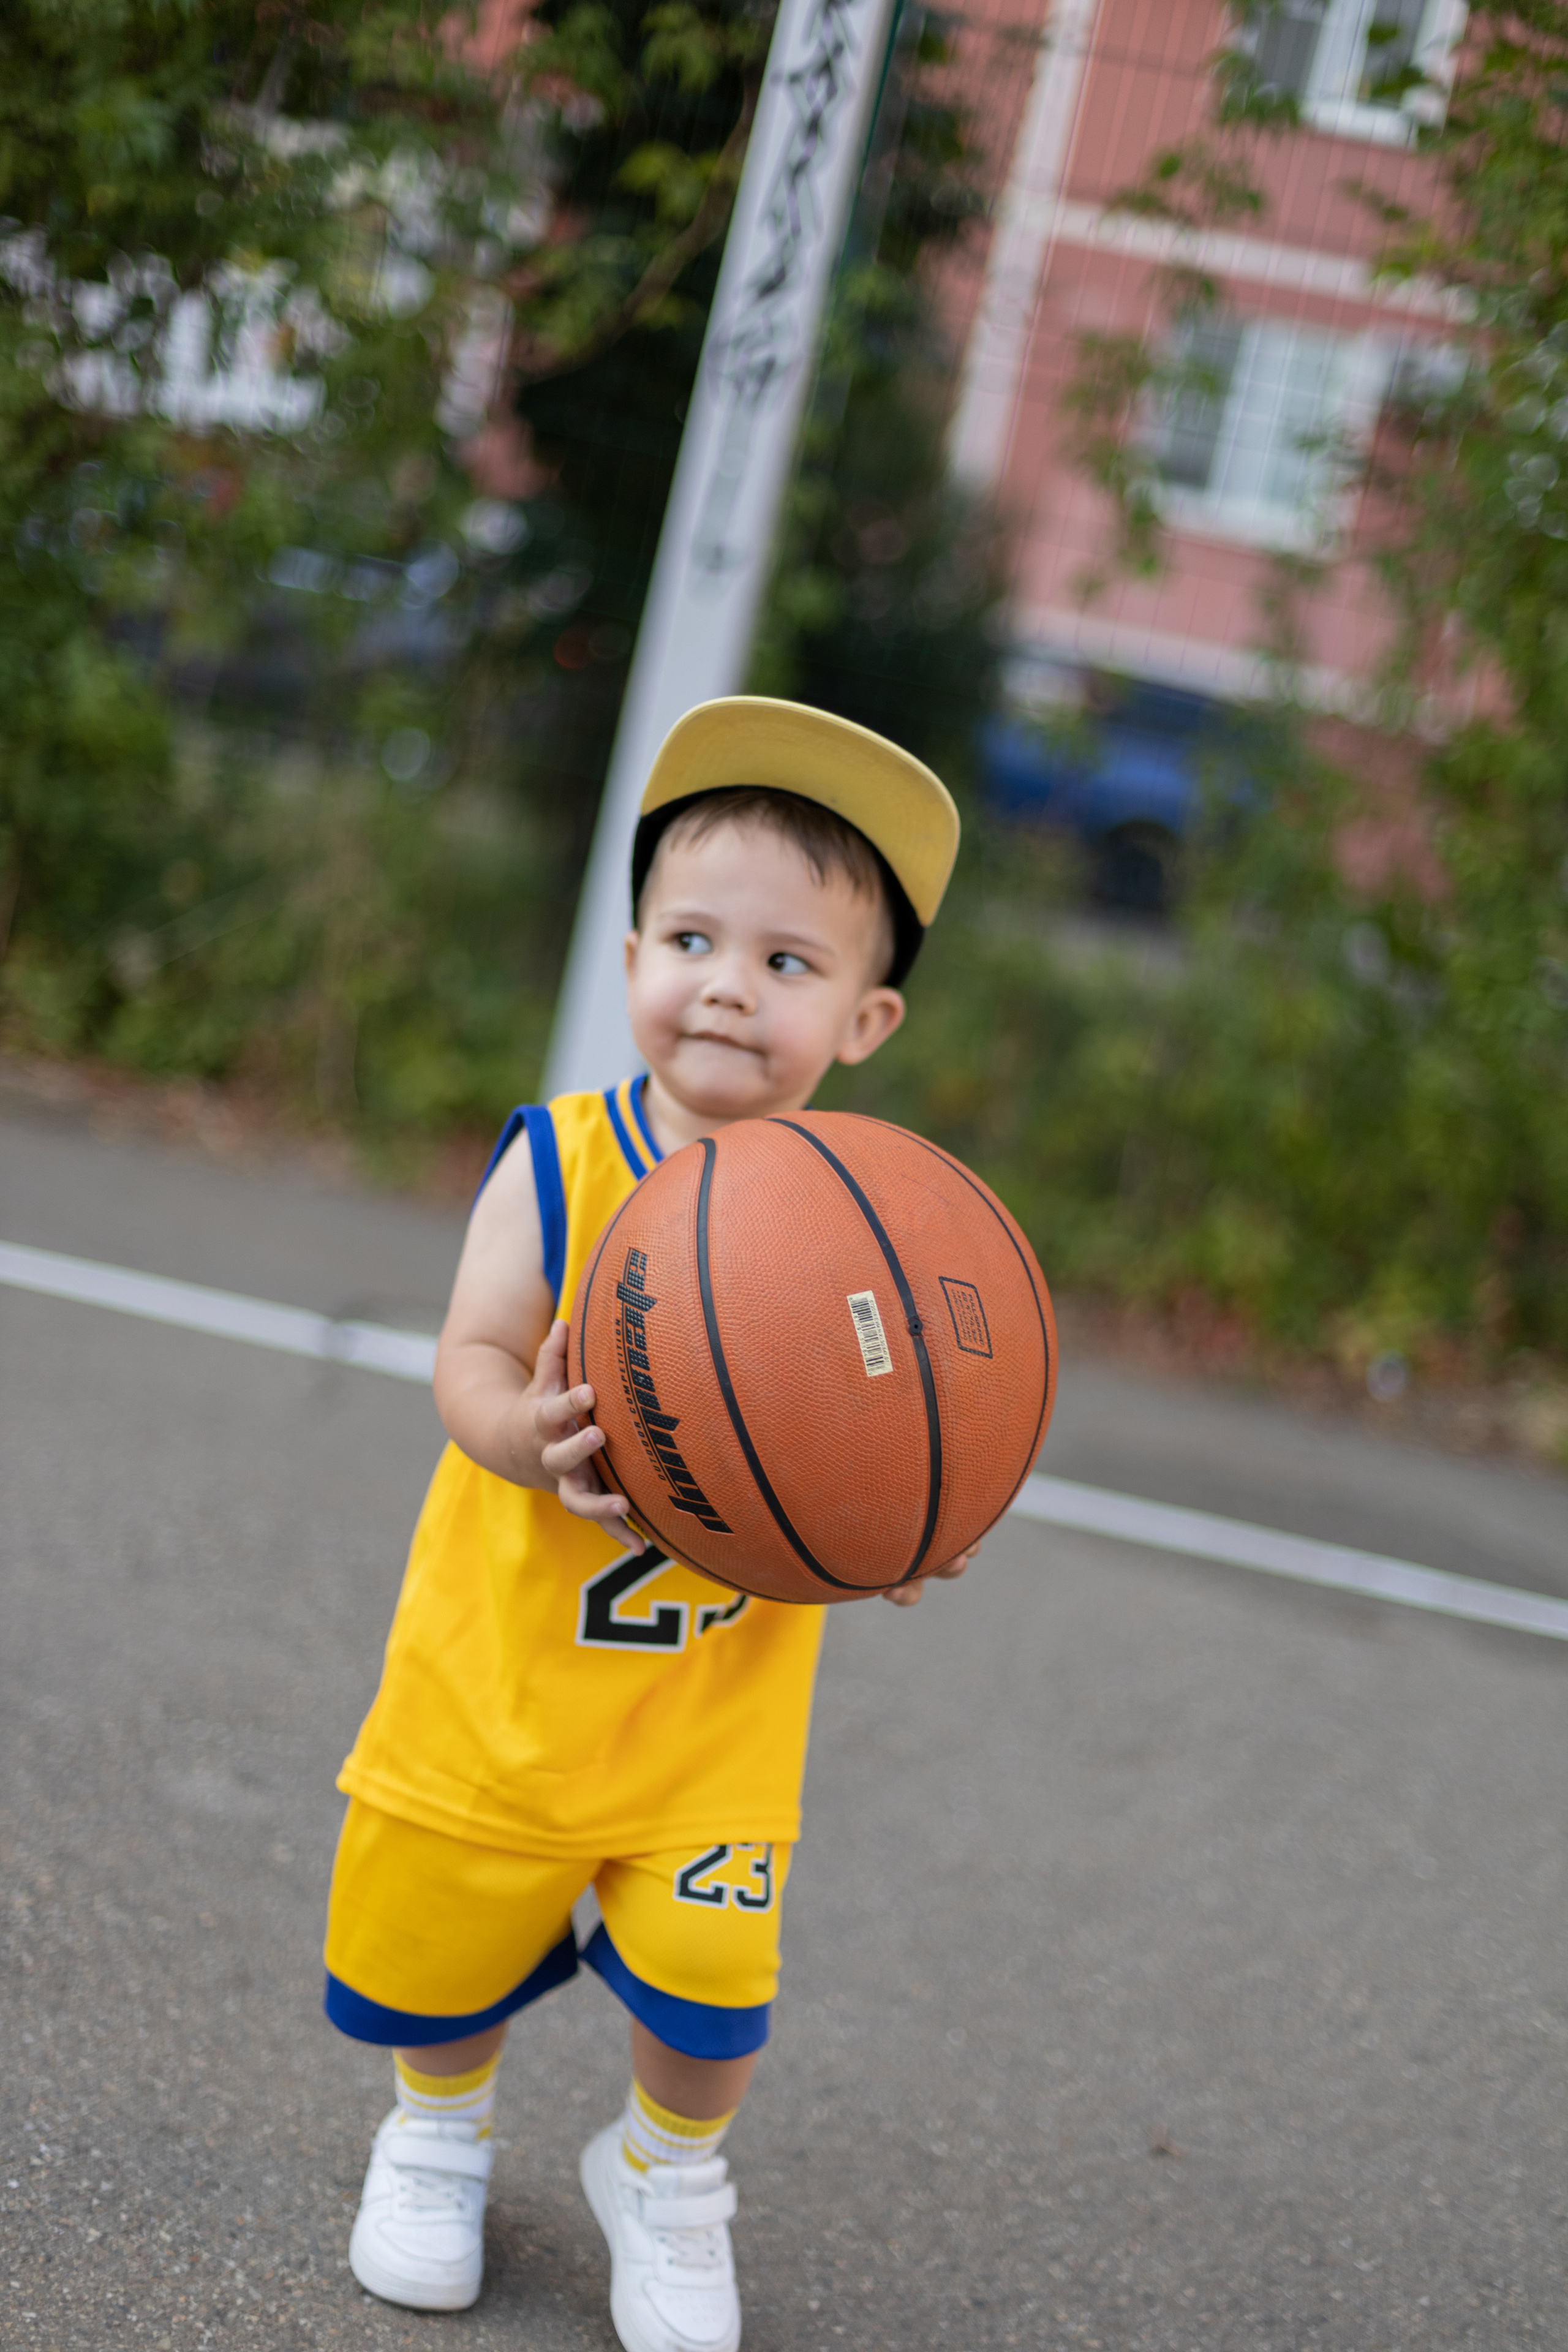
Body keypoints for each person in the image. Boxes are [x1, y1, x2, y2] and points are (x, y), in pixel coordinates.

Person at [323, 695, 974, 2352]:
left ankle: (666, 2173)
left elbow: (888, 1440)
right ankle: (439, 2130)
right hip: (503, 1695)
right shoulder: (559, 1164)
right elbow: (468, 1357)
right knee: (446, 1962)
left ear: (868, 1018)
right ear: (629, 963)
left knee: (712, 2002)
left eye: (787, 962)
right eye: (691, 938)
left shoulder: (864, 1244)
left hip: (707, 1726)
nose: (726, 986)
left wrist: (902, 1526)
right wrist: (524, 1432)